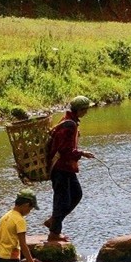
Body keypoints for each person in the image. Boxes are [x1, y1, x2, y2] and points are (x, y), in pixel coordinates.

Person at [45, 95, 96, 243]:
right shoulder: (70, 125)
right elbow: (65, 150)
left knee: (76, 195)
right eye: (86, 109)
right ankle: (54, 233)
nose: (86, 112)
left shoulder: (69, 121)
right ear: (80, 110)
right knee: (62, 200)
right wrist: (82, 153)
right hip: (61, 167)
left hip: (67, 167)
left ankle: (53, 221)